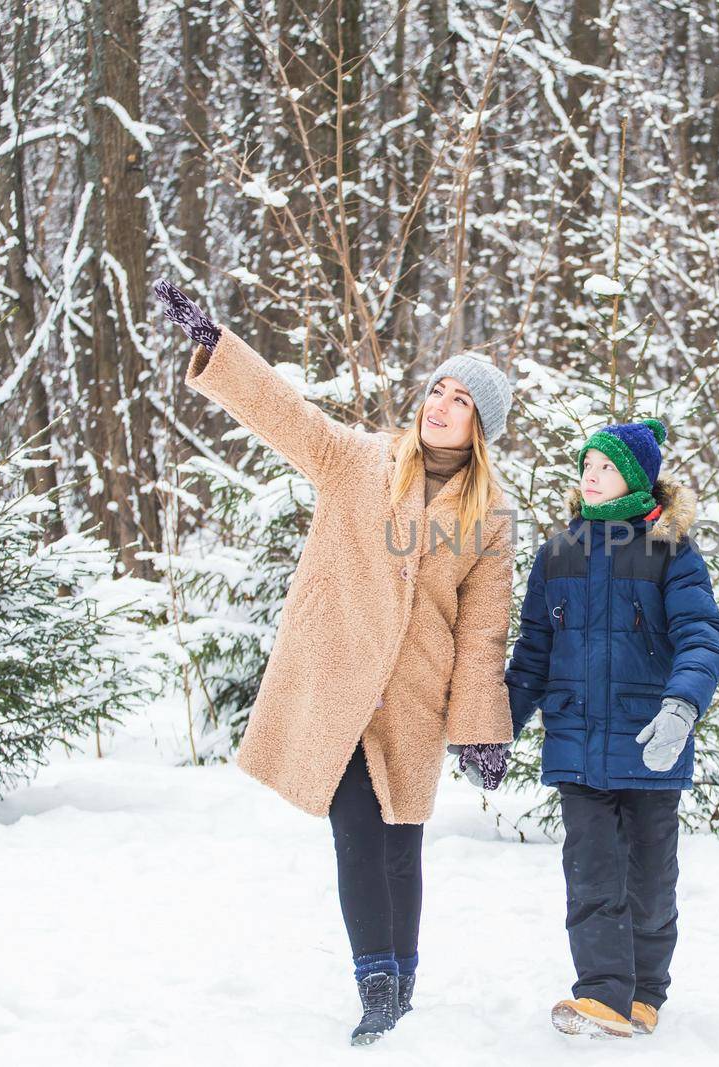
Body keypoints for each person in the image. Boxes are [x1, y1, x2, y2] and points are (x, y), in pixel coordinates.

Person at [154, 279, 515, 1045]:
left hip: (416, 694)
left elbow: (484, 631)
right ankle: (376, 984)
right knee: (356, 824)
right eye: (436, 390)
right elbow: (288, 415)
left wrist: (482, 725)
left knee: (401, 839)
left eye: (459, 400)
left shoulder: (490, 516)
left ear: (481, 427)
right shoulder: (361, 460)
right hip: (341, 679)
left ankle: (406, 979)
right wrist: (218, 347)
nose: (439, 404)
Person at [504, 417, 719, 1039]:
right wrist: (499, 728)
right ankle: (601, 991)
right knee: (591, 870)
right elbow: (533, 652)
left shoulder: (670, 551)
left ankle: (646, 990)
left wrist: (681, 708)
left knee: (651, 878)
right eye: (587, 466)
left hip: (649, 743)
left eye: (605, 468)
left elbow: (701, 634)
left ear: (634, 478)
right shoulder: (558, 554)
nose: (591, 477)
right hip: (578, 744)